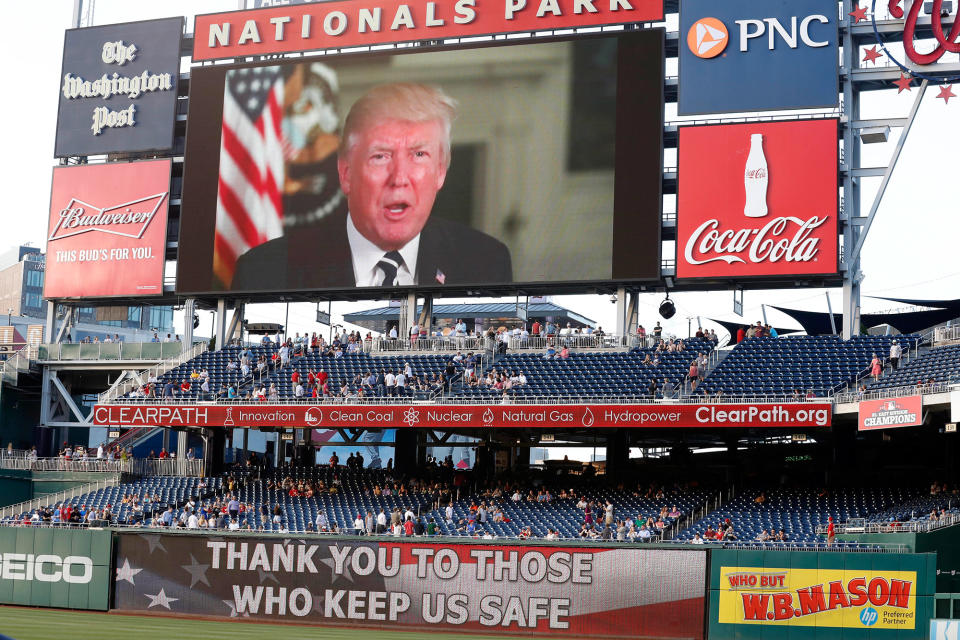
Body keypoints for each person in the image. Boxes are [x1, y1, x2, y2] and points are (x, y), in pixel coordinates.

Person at [232, 82, 512, 289]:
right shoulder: (266, 271)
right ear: (346, 172)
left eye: (418, 155)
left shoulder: (486, 262)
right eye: (380, 156)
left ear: (440, 171)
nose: (400, 177)